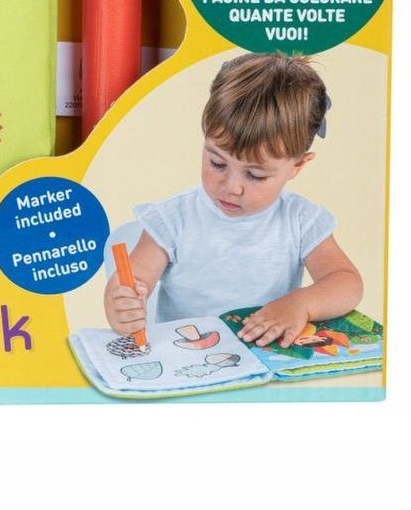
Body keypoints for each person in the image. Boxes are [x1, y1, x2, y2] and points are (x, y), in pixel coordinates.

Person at [104, 54, 363, 347]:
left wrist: (301, 304)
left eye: (255, 175)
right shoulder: (172, 218)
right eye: (217, 163)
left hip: (265, 362)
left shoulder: (300, 220)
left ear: (298, 166)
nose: (231, 187)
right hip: (186, 359)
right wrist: (120, 302)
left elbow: (346, 282)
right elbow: (133, 280)